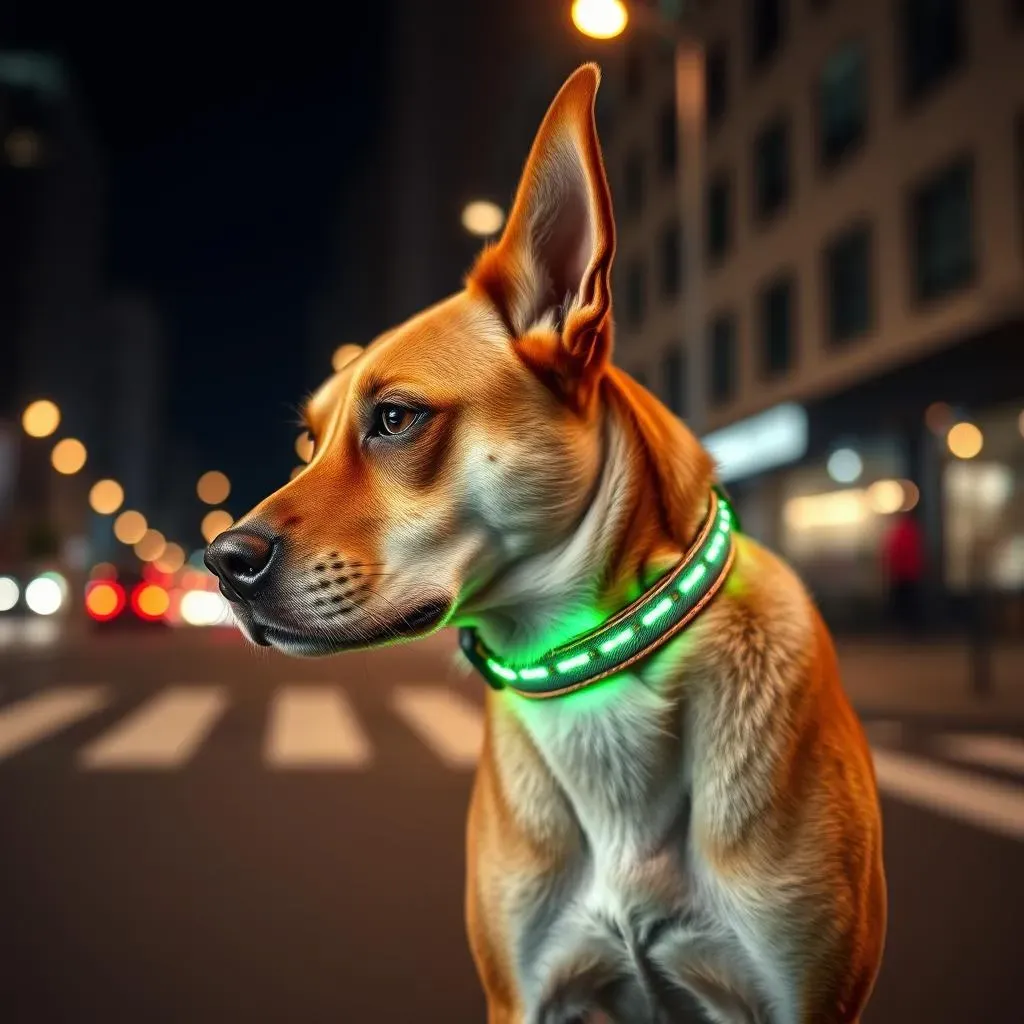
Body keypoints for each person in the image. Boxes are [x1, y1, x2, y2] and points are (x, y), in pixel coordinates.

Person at [882, 511, 926, 635]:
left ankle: (905, 627)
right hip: (909, 573)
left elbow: (895, 552)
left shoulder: (900, 532)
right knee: (909, 602)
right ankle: (909, 628)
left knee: (904, 603)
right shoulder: (911, 531)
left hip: (902, 574)